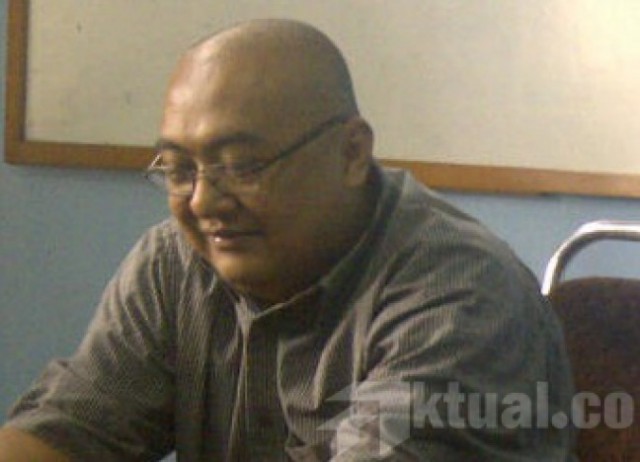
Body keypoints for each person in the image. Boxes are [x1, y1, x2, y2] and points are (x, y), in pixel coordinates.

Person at [0, 19, 576, 461]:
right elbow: (74, 427)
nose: (202, 202)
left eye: (241, 165)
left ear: (351, 153)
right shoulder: (174, 264)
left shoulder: (459, 291)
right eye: (178, 169)